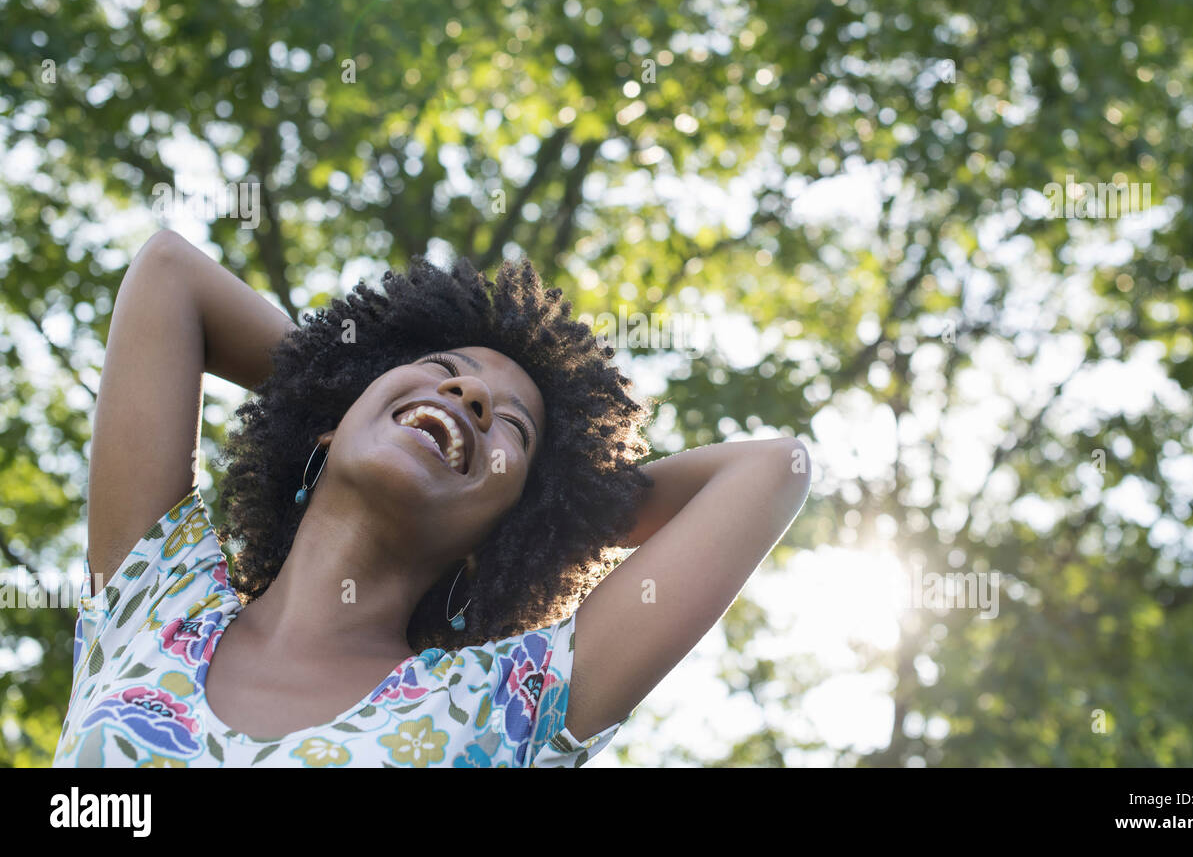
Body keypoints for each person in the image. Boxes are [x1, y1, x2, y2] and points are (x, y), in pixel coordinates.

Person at [53, 229, 812, 767]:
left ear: (501, 534)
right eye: (441, 367)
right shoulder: (153, 603)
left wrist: (556, 509)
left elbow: (777, 466)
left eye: (510, 425)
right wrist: (337, 392)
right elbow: (168, 272)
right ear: (326, 424)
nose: (471, 392)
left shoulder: (505, 709)